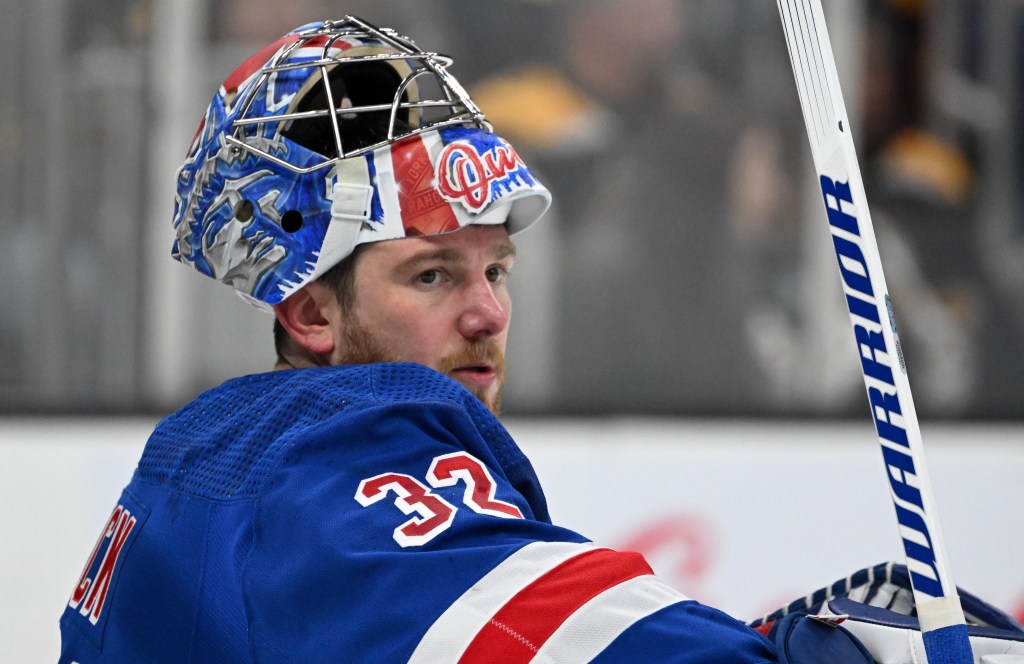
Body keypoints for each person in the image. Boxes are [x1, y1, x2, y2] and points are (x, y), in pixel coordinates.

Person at [61, 15, 1018, 664]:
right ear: (309, 312)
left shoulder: (203, 464)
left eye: (496, 272)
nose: (487, 313)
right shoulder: (332, 482)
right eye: (432, 275)